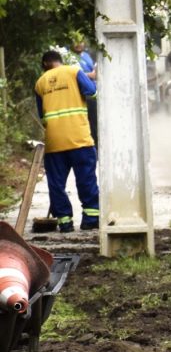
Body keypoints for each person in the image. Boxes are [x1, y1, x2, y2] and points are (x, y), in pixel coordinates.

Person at [35, 50, 100, 232]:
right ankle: (90, 219)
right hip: (79, 138)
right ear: (59, 61)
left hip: (55, 142)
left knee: (56, 184)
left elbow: (42, 115)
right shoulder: (73, 72)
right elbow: (92, 92)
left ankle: (64, 222)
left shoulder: (40, 83)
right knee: (86, 179)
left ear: (45, 64)